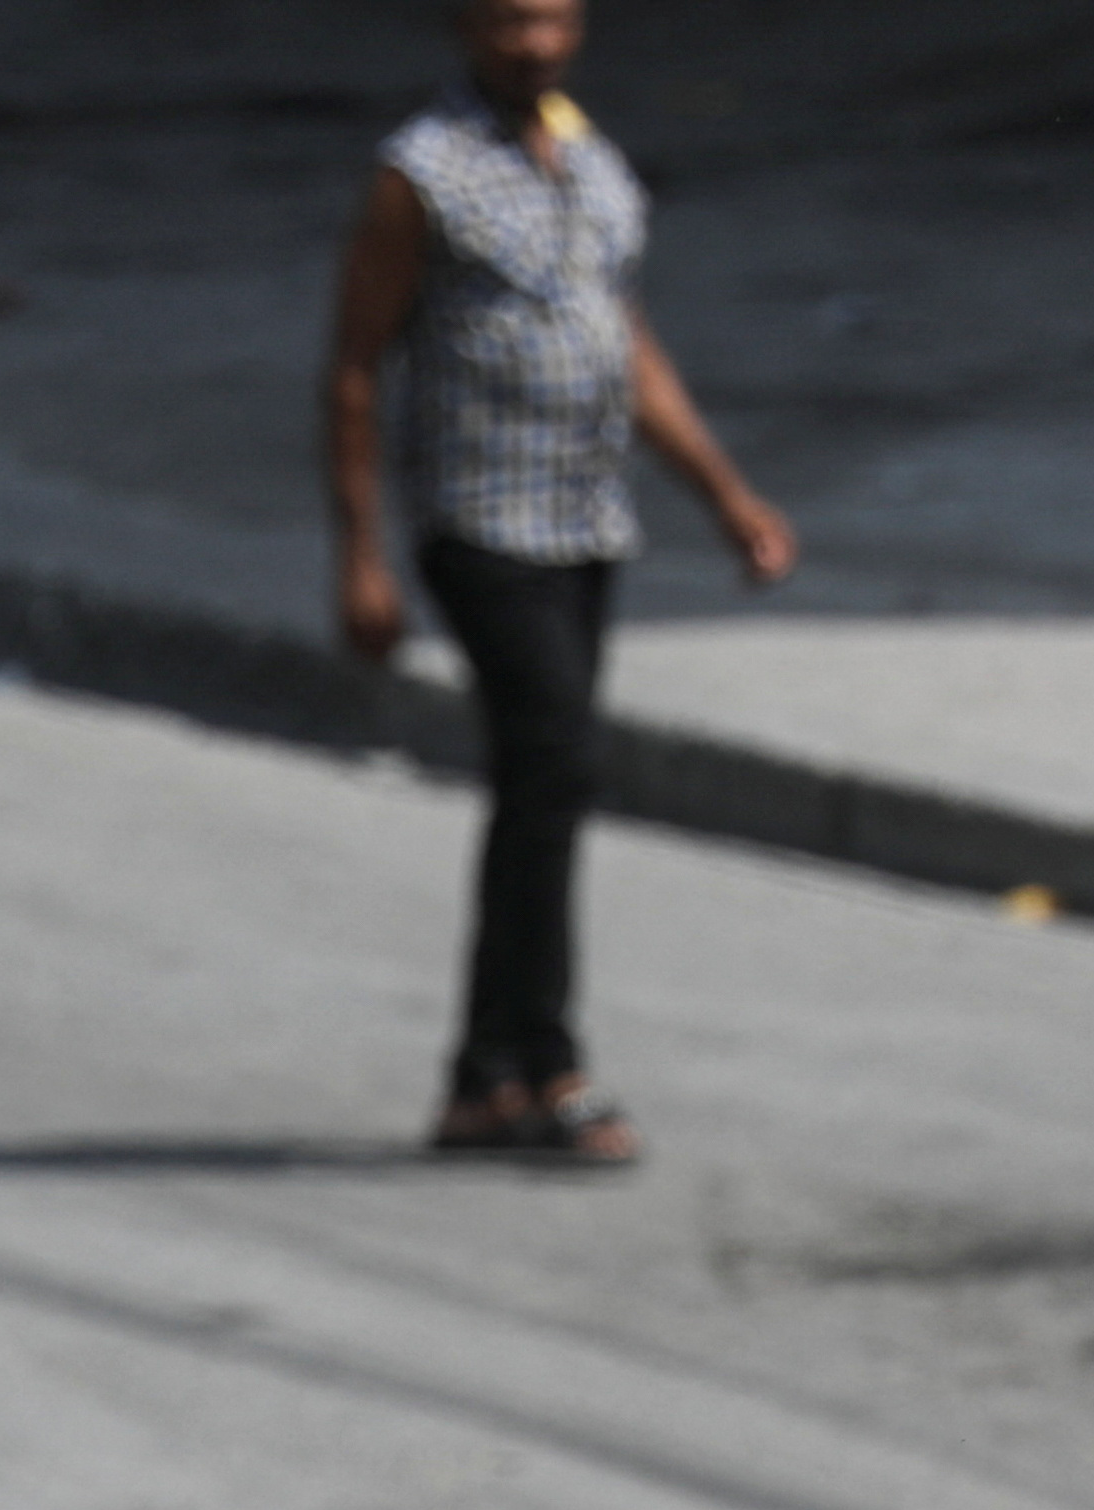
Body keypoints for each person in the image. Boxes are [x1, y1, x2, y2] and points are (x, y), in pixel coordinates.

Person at [324, 0, 798, 1163]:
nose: (529, 45)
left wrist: (726, 499)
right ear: (460, 28)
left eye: (548, 19)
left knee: (543, 788)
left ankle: (490, 1079)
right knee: (554, 764)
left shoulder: (589, 163)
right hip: (478, 520)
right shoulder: (419, 175)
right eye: (505, 22)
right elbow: (350, 366)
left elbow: (622, 341)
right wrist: (362, 556)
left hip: (586, 521)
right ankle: (543, 1062)